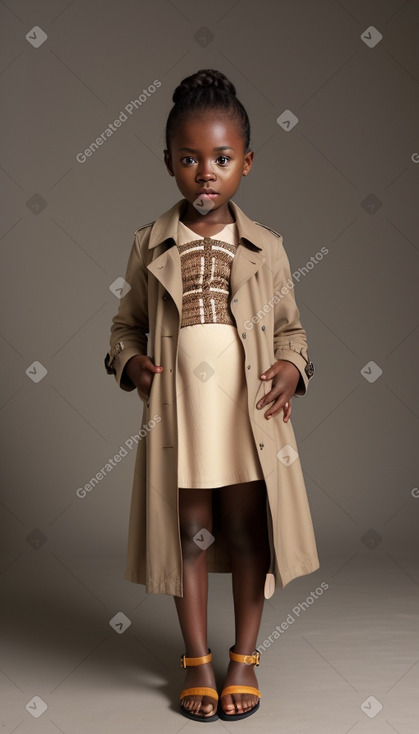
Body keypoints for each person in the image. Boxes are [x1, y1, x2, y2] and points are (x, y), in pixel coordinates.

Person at [104, 69, 319, 722]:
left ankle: (244, 658)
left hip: (246, 418)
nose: (205, 173)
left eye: (221, 159)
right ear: (169, 163)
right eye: (190, 159)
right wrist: (132, 362)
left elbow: (291, 332)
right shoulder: (149, 243)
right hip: (182, 421)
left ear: (245, 164)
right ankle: (194, 658)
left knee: (250, 533)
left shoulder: (268, 248)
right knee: (190, 535)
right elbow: (123, 327)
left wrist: (290, 368)